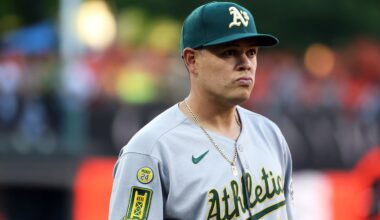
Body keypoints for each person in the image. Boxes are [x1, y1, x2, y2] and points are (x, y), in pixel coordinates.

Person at [109, 1, 295, 219]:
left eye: (252, 52)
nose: (246, 63)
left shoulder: (270, 134)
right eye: (229, 52)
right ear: (192, 60)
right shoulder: (151, 149)